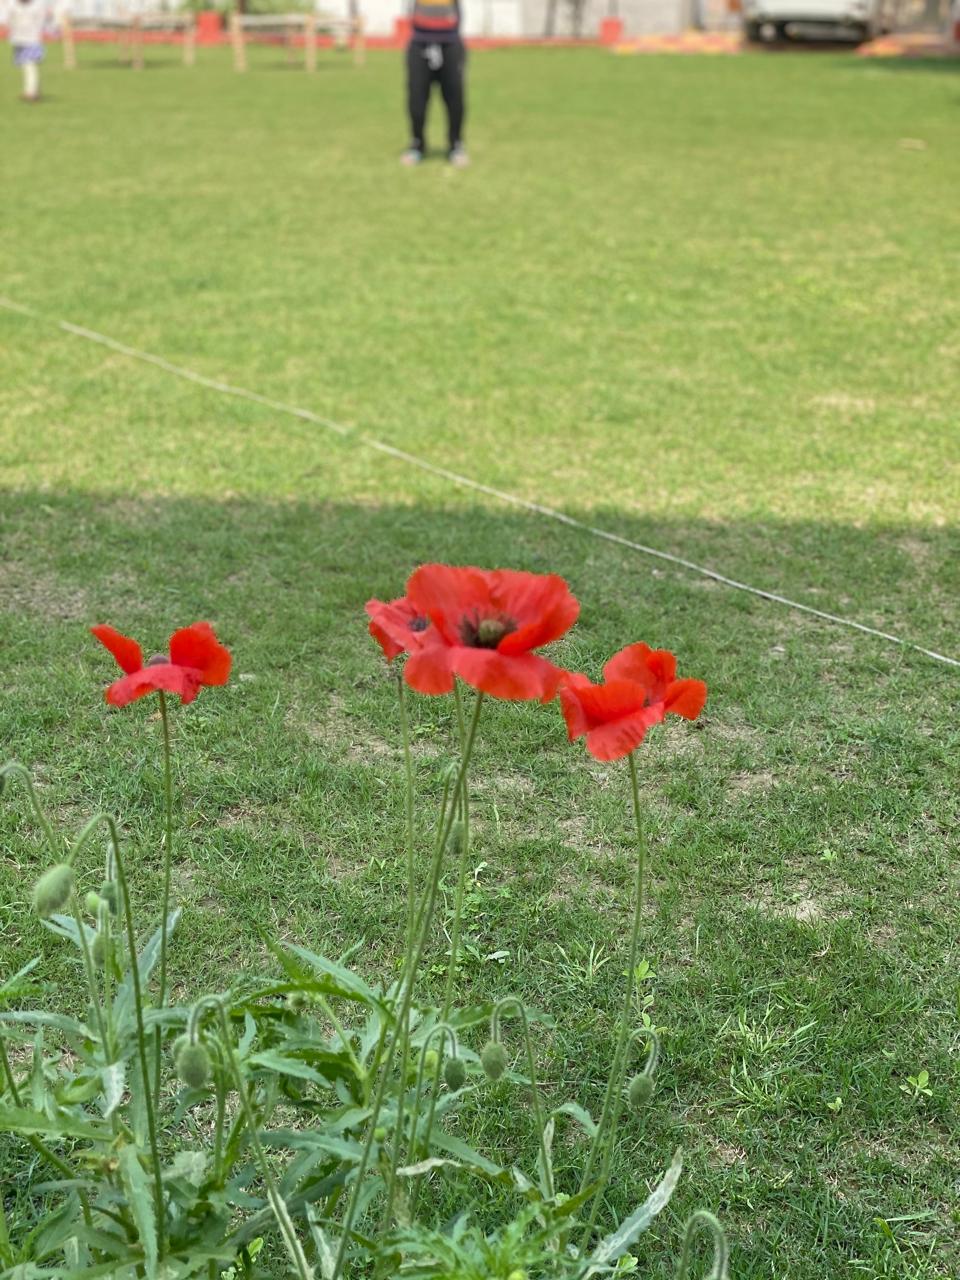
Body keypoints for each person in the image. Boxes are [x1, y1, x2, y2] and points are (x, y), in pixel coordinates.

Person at [402, 0, 468, 167]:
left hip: (450, 42)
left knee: (455, 99)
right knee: (416, 99)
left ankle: (456, 145)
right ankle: (417, 144)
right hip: (419, 42)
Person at [8, 0, 47, 102]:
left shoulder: (37, 6)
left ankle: (30, 92)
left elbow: (41, 22)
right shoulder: (13, 5)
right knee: (27, 66)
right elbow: (10, 21)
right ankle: (35, 90)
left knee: (29, 65)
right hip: (18, 40)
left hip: (32, 40)